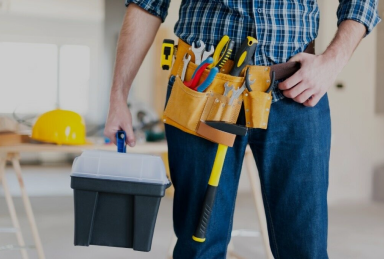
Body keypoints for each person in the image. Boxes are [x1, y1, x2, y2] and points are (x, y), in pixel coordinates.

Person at [104, 1, 380, 258]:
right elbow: (147, 3)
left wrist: (332, 62)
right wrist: (118, 96)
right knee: (199, 245)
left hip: (297, 91)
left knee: (305, 247)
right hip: (201, 94)